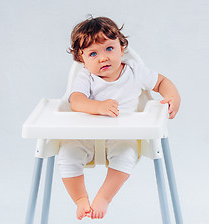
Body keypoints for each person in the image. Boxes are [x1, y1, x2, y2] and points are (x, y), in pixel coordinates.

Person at [57, 16, 181, 220]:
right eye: (93, 53)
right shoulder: (86, 77)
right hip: (86, 136)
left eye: (109, 49)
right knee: (66, 154)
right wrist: (98, 106)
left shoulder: (134, 72)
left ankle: (104, 197)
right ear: (83, 60)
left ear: (122, 49)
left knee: (127, 155)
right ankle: (80, 198)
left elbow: (162, 82)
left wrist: (173, 97)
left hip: (122, 136)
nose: (103, 58)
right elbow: (76, 101)